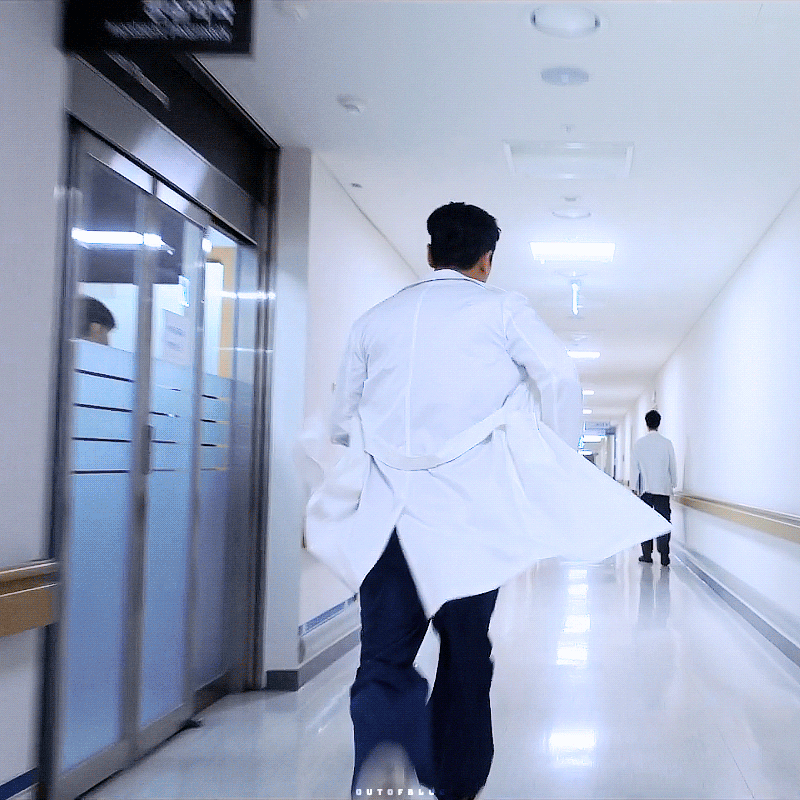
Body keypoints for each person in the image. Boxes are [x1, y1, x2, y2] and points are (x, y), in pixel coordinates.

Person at [306, 202, 669, 800]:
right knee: (467, 650)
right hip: (469, 520)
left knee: (383, 658)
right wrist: (549, 459)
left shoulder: (376, 320)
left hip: (387, 521)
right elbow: (559, 379)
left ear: (429, 253)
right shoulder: (502, 311)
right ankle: (455, 782)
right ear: (487, 260)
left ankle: (385, 751)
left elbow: (343, 418)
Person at [632, 409, 677, 566]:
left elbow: (635, 468)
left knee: (645, 522)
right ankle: (664, 555)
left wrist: (634, 487)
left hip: (645, 490)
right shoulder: (667, 443)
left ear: (646, 424)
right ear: (659, 423)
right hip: (663, 490)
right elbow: (672, 466)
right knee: (664, 521)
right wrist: (674, 483)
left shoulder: (639, 444)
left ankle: (647, 554)